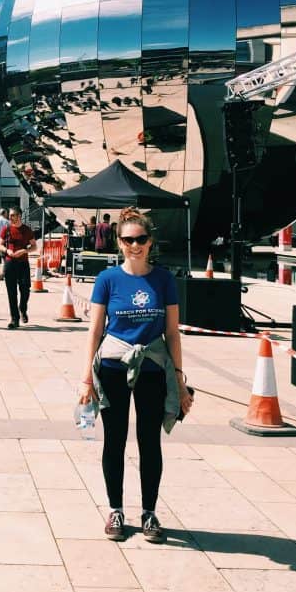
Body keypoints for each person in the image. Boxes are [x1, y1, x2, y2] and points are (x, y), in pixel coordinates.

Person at [78, 207, 192, 545]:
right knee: (114, 440)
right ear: (119, 242)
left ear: (150, 241)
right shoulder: (108, 280)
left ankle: (149, 512)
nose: (135, 245)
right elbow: (95, 330)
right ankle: (115, 509)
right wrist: (86, 378)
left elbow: (173, 333)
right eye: (128, 240)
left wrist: (180, 379)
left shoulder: (163, 279)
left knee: (149, 442)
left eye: (140, 239)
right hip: (113, 368)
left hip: (153, 369)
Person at [0, 207, 35, 329]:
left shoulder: (26, 230)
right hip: (10, 263)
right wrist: (7, 250)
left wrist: (25, 250)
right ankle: (14, 319)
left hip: (23, 263)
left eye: (13, 215)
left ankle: (22, 308)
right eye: (10, 215)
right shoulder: (6, 229)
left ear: (19, 215)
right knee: (11, 292)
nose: (10, 217)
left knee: (25, 289)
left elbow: (34, 246)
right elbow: (0, 245)